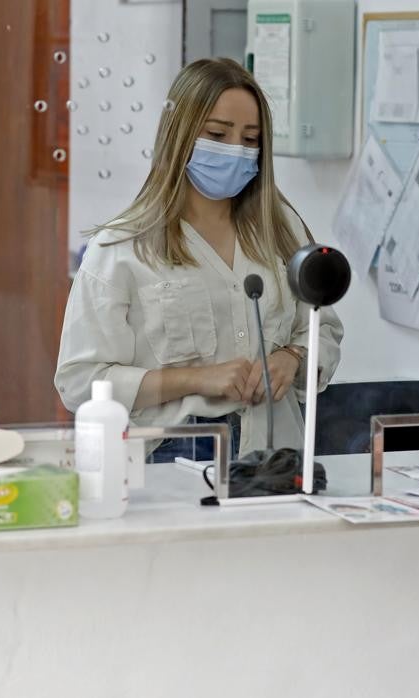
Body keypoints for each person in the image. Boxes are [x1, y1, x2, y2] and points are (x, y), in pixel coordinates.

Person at [54, 58, 343, 462]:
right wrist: (194, 379)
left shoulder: (282, 228)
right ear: (180, 133)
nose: (236, 150)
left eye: (250, 139)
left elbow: (323, 329)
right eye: (217, 134)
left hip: (276, 453)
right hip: (176, 454)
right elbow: (80, 382)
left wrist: (291, 359)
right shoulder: (122, 246)